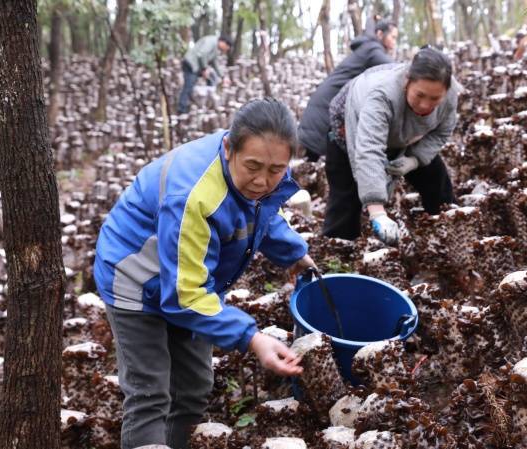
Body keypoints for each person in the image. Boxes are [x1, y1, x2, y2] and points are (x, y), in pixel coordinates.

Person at [94, 98, 315, 449]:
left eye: (276, 170)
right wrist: (253, 339)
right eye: (254, 166)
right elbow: (185, 296)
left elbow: (260, 211)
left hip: (189, 279)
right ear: (229, 148)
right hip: (134, 278)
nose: (263, 180)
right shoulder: (194, 196)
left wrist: (294, 253)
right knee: (150, 393)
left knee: (194, 387)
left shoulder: (262, 166)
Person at [323, 47, 460, 244]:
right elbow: (369, 150)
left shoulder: (450, 96)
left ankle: (449, 237)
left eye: (434, 99)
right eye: (420, 95)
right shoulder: (382, 96)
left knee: (435, 177)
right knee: (346, 200)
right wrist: (377, 211)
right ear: (407, 82)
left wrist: (414, 160)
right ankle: (336, 260)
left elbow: (441, 133)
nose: (425, 105)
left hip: (402, 133)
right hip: (349, 125)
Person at [297, 19, 399, 162]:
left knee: (315, 160)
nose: (394, 42)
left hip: (325, 102)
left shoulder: (368, 48)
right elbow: (397, 71)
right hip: (326, 106)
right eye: (393, 37)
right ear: (380, 34)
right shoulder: (372, 49)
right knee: (314, 162)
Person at [177, 34, 233, 114]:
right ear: (223, 43)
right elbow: (202, 54)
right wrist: (204, 69)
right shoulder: (211, 41)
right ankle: (181, 110)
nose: (225, 51)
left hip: (197, 66)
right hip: (191, 64)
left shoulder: (215, 48)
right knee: (188, 87)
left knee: (211, 80)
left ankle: (206, 105)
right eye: (226, 49)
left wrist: (223, 76)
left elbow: (215, 63)